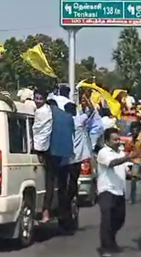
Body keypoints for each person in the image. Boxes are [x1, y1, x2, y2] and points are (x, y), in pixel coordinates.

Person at [96, 128, 139, 257]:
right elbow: (112, 164)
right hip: (106, 190)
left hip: (119, 191)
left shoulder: (120, 153)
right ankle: (106, 248)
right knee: (107, 220)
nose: (117, 141)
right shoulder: (103, 152)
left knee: (119, 219)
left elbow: (126, 171)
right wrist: (128, 157)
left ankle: (111, 241)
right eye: (114, 139)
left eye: (118, 139)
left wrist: (137, 176)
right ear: (107, 141)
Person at [62, 97, 95, 227]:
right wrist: (87, 99)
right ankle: (71, 200)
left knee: (64, 184)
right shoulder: (79, 120)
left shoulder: (63, 122)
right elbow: (91, 110)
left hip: (65, 158)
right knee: (73, 183)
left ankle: (66, 202)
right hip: (76, 158)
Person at [42, 97, 75, 224]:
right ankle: (62, 213)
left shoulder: (48, 115)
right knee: (62, 186)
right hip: (66, 155)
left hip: (51, 152)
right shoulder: (67, 117)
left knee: (50, 183)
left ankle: (46, 211)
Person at [32, 89, 54, 222]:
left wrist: (38, 149)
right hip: (39, 147)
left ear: (45, 99)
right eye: (36, 98)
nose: (37, 101)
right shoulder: (38, 111)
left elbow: (41, 131)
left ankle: (46, 212)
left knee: (48, 182)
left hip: (43, 149)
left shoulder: (44, 112)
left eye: (40, 98)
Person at [123, 121, 141, 203]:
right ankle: (132, 197)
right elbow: (127, 151)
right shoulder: (130, 140)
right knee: (133, 179)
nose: (134, 132)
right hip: (135, 161)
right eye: (133, 130)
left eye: (136, 130)